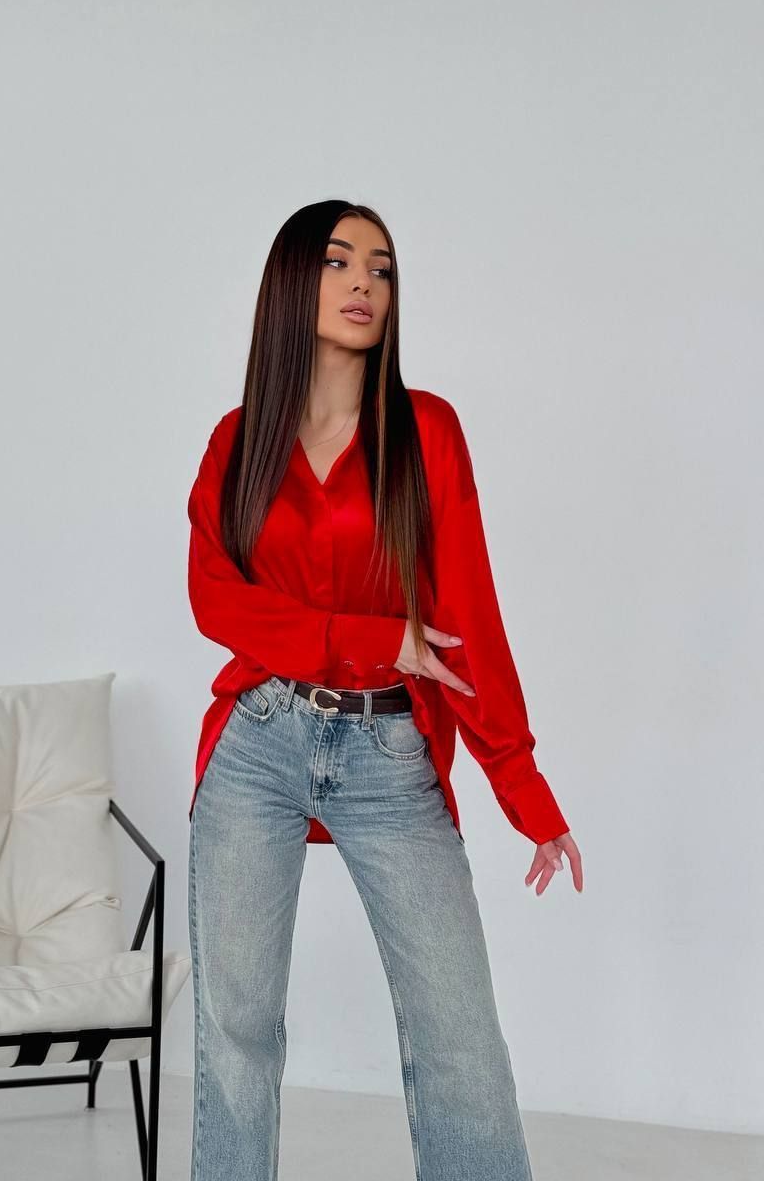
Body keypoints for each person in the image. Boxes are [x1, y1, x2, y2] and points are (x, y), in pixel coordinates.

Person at [185, 199, 582, 1181]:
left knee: (458, 1034)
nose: (364, 281)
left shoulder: (426, 431)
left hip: (389, 748)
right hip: (255, 743)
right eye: (338, 261)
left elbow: (468, 617)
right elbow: (215, 600)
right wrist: (366, 636)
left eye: (382, 267)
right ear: (293, 282)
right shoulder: (238, 441)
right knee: (236, 1030)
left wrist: (521, 784)